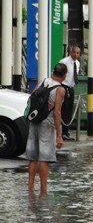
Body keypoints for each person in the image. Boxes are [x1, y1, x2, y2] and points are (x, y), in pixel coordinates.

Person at [26, 63, 67, 196]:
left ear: (53, 72)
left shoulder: (44, 81)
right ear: (65, 75)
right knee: (44, 158)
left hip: (35, 120)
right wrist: (59, 135)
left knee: (33, 157)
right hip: (47, 124)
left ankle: (30, 188)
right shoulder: (60, 90)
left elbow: (31, 98)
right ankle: (44, 190)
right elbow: (57, 113)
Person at [58, 45, 81, 141]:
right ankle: (62, 132)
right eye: (74, 52)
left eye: (78, 53)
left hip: (71, 87)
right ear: (71, 52)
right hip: (63, 86)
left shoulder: (77, 63)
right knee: (64, 109)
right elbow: (58, 74)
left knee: (69, 111)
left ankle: (66, 132)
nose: (76, 54)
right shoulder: (64, 62)